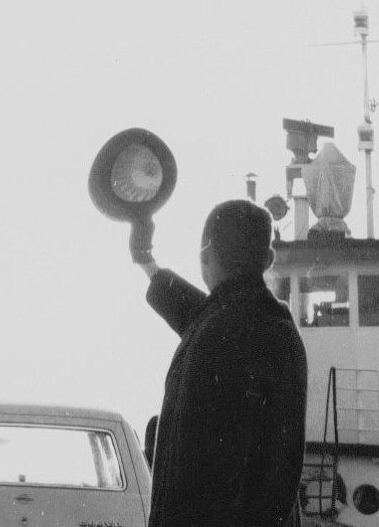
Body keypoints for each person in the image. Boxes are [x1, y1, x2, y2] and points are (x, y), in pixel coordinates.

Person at [129, 200, 307, 527]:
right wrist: (146, 262)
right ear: (268, 259)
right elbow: (198, 310)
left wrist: (145, 259)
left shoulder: (218, 327)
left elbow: (202, 314)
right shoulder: (270, 328)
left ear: (205, 256)